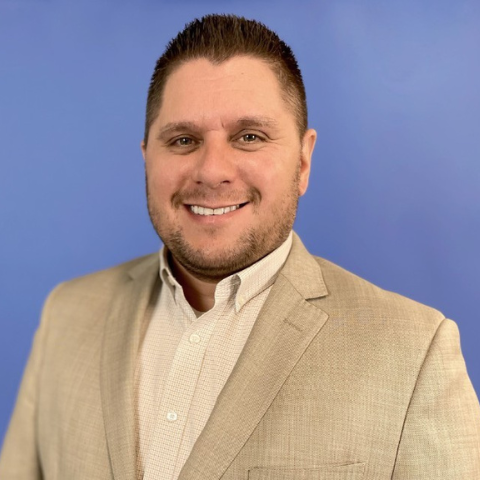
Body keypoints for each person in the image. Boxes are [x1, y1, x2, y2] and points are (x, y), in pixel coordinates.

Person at [1, 14, 479, 480]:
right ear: (147, 158)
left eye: (249, 137)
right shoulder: (66, 314)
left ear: (304, 159)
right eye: (183, 139)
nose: (212, 170)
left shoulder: (414, 354)